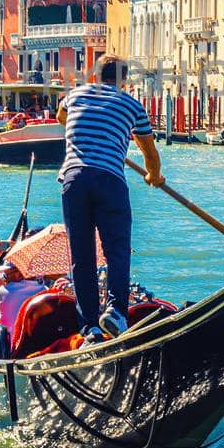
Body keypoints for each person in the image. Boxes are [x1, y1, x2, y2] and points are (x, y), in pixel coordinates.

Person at [56, 54, 163, 344]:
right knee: (117, 251)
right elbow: (149, 154)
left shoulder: (75, 95)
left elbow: (61, 118)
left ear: (96, 75)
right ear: (124, 81)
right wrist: (154, 176)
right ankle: (116, 312)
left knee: (82, 256)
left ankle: (89, 325)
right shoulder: (132, 106)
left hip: (74, 179)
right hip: (109, 181)